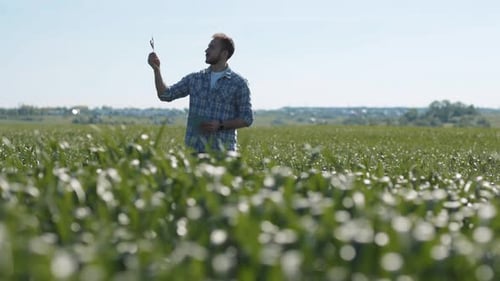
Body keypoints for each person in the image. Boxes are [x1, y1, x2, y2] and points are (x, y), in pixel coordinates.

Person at [147, 33, 253, 153]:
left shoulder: (239, 83)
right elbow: (165, 95)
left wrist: (220, 125)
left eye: (212, 47)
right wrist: (156, 69)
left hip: (223, 154)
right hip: (194, 152)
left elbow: (247, 119)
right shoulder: (194, 79)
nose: (206, 50)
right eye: (208, 47)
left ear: (224, 54)